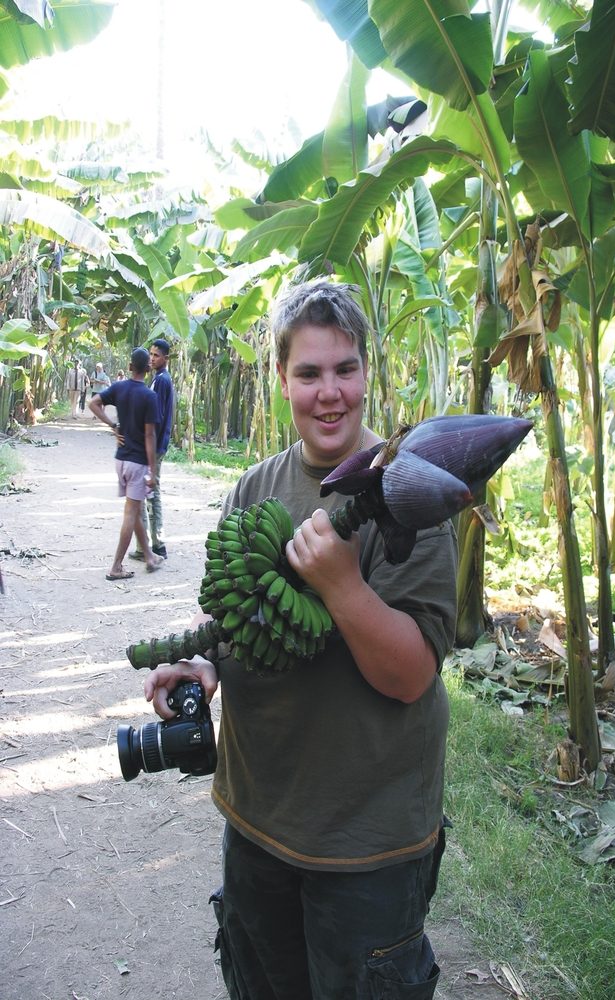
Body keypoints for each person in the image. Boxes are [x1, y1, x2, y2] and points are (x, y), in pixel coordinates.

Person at [144, 282, 458, 1000]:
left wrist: (343, 587)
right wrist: (201, 666)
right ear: (282, 377)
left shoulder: (408, 493)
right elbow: (239, 623)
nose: (329, 393)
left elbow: (412, 676)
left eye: (345, 370)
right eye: (309, 373)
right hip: (257, 820)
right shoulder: (254, 490)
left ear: (366, 373)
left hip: (368, 845)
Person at [89, 347, 165, 581]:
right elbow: (150, 436)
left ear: (130, 366)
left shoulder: (119, 387)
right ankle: (116, 566)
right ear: (147, 368)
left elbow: (94, 403)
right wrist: (152, 470)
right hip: (137, 463)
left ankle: (150, 557)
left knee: (134, 509)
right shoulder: (149, 396)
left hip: (120, 460)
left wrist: (112, 425)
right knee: (131, 513)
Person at [130, 338, 174, 561]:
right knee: (150, 493)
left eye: (157, 355)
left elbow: (155, 418)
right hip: (157, 444)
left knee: (148, 493)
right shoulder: (160, 379)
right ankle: (152, 543)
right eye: (151, 354)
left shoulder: (161, 381)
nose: (152, 358)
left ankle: (150, 546)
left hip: (154, 446)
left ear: (166, 358)